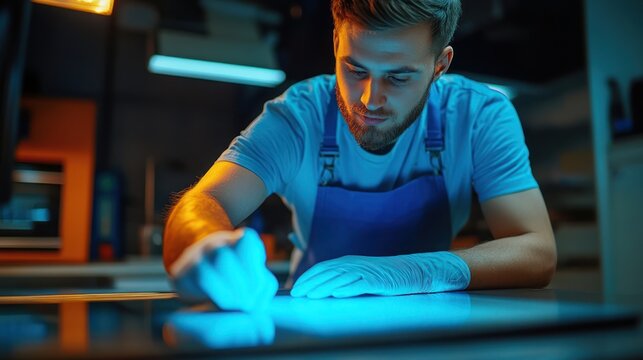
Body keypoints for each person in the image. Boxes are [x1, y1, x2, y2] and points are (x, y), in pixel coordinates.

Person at [163, 0, 557, 312]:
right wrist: (205, 243)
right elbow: (204, 201)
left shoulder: (478, 118)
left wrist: (416, 272)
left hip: (432, 322)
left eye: (399, 77)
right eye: (354, 69)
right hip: (316, 319)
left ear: (440, 65)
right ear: (336, 42)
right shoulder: (299, 117)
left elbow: (537, 251)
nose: (370, 100)